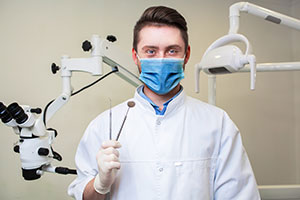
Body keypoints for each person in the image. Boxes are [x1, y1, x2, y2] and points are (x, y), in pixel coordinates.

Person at [68, 6, 261, 200]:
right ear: (135, 56)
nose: (161, 60)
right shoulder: (104, 125)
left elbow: (240, 195)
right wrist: (100, 185)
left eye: (172, 51)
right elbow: (83, 195)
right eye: (150, 51)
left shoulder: (218, 123)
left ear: (186, 55)